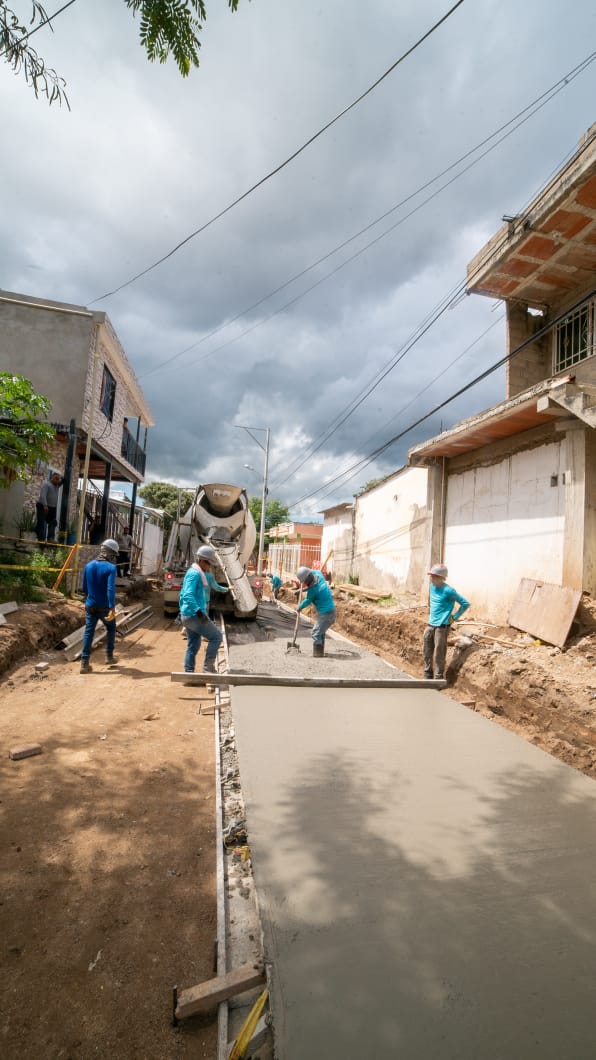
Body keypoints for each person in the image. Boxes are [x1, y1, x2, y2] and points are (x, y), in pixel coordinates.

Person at [179, 545, 223, 674]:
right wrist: (199, 612)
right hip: (194, 615)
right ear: (202, 561)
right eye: (209, 563)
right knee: (216, 637)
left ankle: (189, 673)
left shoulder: (197, 573)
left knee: (193, 644)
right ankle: (208, 668)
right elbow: (187, 595)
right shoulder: (195, 574)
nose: (210, 566)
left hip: (189, 614)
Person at [423, 563, 470, 680]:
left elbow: (465, 603)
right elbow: (433, 603)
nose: (431, 578)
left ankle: (438, 679)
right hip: (430, 624)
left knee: (439, 653)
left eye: (434, 576)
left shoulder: (449, 591)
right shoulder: (432, 587)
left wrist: (453, 618)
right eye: (431, 576)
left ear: (442, 578)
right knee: (427, 651)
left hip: (442, 626)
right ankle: (427, 675)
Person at [79, 538, 119, 673]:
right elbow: (110, 589)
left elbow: (84, 587)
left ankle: (84, 663)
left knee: (88, 632)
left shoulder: (88, 566)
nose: (114, 558)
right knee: (111, 628)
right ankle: (109, 656)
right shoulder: (111, 568)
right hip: (105, 607)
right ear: (110, 553)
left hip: (90, 605)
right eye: (114, 555)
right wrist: (112, 607)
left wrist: (89, 599)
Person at [296, 565, 336, 657]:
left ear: (307, 579)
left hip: (326, 614)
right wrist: (301, 590)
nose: (305, 583)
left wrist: (299, 607)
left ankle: (317, 655)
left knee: (316, 633)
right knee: (320, 632)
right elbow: (313, 586)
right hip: (331, 610)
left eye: (305, 582)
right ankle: (320, 652)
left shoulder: (312, 591)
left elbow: (307, 600)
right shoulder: (318, 574)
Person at [35, 471, 63, 542]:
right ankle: (40, 539)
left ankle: (50, 538)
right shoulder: (47, 484)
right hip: (43, 506)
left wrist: (61, 476)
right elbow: (43, 495)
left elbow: (64, 480)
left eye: (58, 479)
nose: (57, 480)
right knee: (41, 522)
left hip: (52, 508)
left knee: (53, 522)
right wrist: (45, 505)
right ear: (52, 477)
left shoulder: (57, 486)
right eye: (56, 478)